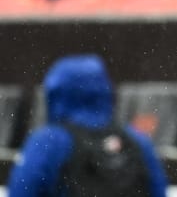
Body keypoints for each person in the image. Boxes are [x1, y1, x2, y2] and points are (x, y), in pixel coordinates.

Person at [7, 54, 168, 197]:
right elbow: (158, 189)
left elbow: (22, 190)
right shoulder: (137, 141)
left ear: (56, 94)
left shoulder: (49, 142)